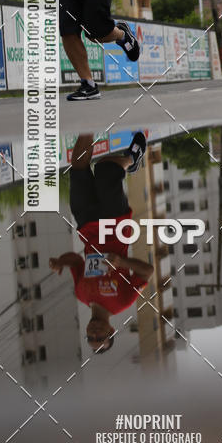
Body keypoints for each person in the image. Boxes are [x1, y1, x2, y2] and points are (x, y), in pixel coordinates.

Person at [49, 131, 151, 353]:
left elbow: (76, 261)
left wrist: (60, 261)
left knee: (78, 166)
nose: (94, 332)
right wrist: (121, 262)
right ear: (111, 331)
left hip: (86, 223)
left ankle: (86, 123)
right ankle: (132, 161)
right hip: (113, 224)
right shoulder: (122, 301)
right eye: (100, 336)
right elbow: (147, 272)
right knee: (106, 169)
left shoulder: (81, 294)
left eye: (91, 337)